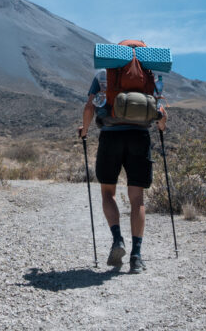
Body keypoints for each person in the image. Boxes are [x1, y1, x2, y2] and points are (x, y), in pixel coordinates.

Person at [78, 69, 167, 274]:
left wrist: (84, 130)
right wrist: (162, 127)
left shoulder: (103, 74)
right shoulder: (149, 76)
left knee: (108, 192)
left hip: (111, 137)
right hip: (140, 137)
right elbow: (160, 110)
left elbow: (89, 106)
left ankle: (117, 239)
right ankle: (136, 256)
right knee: (137, 198)